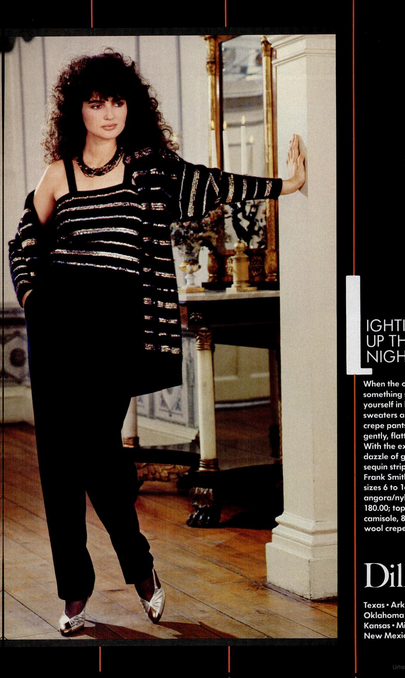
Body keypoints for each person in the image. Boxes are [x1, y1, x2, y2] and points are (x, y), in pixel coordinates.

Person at [8, 49, 305, 637]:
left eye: (117, 101)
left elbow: (213, 183)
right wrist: (35, 298)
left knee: (99, 457)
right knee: (58, 464)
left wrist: (285, 185)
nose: (109, 113)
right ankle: (74, 592)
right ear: (77, 111)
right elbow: (23, 243)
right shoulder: (58, 174)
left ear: (131, 106)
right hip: (57, 327)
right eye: (97, 103)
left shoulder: (150, 169)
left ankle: (138, 564)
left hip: (115, 329)